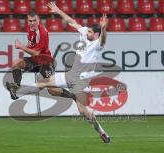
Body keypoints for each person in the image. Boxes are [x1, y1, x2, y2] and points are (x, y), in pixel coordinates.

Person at [7, 2, 111, 143]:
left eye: (91, 32)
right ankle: (18, 91)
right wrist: (58, 10)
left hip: (80, 81)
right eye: (88, 31)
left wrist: (104, 29)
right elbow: (71, 22)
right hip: (70, 74)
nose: (87, 33)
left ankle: (101, 131)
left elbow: (103, 39)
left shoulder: (98, 44)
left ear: (96, 34)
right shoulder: (85, 32)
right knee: (44, 83)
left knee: (83, 112)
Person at [6, 11, 75, 101]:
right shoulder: (30, 29)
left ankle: (74, 96)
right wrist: (25, 46)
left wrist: (21, 47)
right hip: (36, 61)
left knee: (52, 89)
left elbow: (36, 53)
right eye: (30, 21)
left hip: (46, 62)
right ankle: (16, 87)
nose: (32, 23)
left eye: (34, 20)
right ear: (27, 21)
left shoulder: (41, 32)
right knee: (16, 63)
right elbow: (31, 46)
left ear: (38, 20)